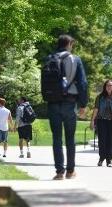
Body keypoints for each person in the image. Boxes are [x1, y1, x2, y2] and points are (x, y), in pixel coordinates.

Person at [47, 34, 88, 180]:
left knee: (56, 138)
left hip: (52, 103)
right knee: (70, 138)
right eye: (72, 44)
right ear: (69, 44)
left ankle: (59, 172)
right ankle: (70, 171)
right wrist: (83, 104)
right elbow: (82, 83)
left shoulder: (49, 58)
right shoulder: (75, 59)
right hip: (69, 103)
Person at [90, 80, 112, 167]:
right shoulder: (99, 97)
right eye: (108, 85)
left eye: (111, 85)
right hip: (101, 120)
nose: (109, 87)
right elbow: (96, 109)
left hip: (111, 121)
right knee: (102, 140)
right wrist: (92, 121)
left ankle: (109, 160)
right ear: (105, 86)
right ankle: (101, 158)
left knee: (109, 141)